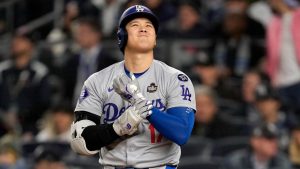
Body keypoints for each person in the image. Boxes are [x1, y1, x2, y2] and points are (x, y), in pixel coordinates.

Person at [70, 5, 196, 169]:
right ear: (121, 36)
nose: (143, 29)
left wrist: (142, 104)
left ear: (155, 38)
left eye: (149, 26)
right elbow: (80, 142)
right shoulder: (97, 80)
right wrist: (116, 128)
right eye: (135, 25)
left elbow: (181, 133)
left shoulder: (176, 78)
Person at [223, 123, 292, 169]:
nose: (274, 143)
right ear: (254, 142)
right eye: (269, 139)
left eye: (276, 139)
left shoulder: (283, 163)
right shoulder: (235, 162)